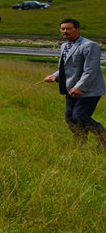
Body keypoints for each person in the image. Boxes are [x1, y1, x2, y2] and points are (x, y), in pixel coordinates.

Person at [43, 19, 106, 147]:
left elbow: (91, 70)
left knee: (80, 116)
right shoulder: (64, 46)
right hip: (70, 88)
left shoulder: (89, 45)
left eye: (68, 28)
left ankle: (103, 138)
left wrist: (79, 87)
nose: (65, 31)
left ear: (78, 30)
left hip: (89, 90)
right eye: (62, 29)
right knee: (70, 117)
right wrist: (54, 76)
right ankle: (80, 143)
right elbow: (65, 67)